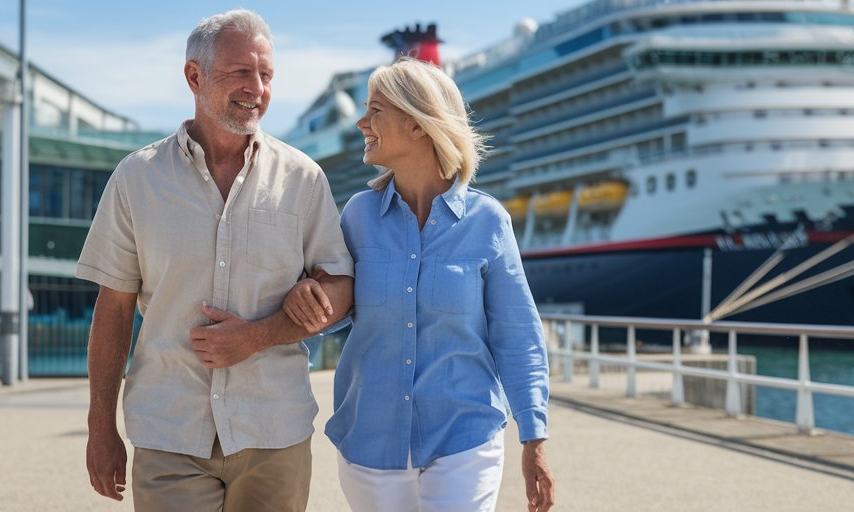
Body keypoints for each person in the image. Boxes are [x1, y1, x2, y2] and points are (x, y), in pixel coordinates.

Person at [75, 9, 353, 512]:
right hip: (169, 432)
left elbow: (341, 289)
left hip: (274, 432)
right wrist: (101, 428)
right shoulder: (136, 179)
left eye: (266, 74)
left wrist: (258, 335)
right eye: (240, 72)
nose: (257, 88)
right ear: (194, 76)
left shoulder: (303, 179)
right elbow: (112, 309)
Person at [300, 57, 554, 512]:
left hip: (465, 439)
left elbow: (518, 335)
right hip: (369, 442)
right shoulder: (357, 215)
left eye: (375, 110)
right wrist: (305, 300)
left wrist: (533, 436)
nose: (362, 122)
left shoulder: (487, 221)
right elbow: (328, 314)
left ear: (418, 124)